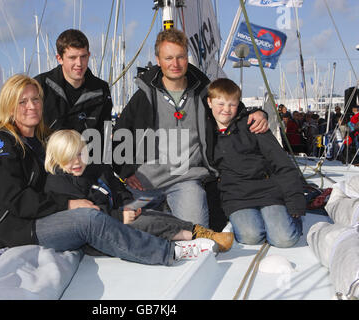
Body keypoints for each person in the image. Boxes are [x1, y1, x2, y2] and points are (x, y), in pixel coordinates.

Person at [0, 74, 215, 266]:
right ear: (9, 105)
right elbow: (17, 200)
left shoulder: (39, 140)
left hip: (41, 214)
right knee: (89, 220)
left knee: (126, 207)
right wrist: (69, 205)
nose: (31, 106)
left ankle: (189, 231)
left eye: (35, 99)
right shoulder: (2, 145)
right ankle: (170, 252)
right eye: (22, 101)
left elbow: (62, 177)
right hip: (11, 228)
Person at [112, 28, 269, 228]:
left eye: (180, 57)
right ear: (158, 60)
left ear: (187, 58)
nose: (175, 64)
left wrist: (259, 114)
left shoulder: (204, 92)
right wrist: (126, 171)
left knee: (196, 233)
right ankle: (162, 216)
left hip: (186, 181)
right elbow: (120, 131)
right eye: (168, 58)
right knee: (127, 226)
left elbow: (231, 109)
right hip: (146, 182)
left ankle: (166, 217)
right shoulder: (144, 95)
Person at [44, 129, 234, 251]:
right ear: (56, 158)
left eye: (80, 154)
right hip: (97, 235)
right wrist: (119, 217)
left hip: (116, 215)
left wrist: (129, 205)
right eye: (68, 157)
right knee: (143, 225)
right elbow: (86, 216)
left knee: (151, 214)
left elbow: (118, 189)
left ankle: (199, 231)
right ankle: (189, 241)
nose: (76, 162)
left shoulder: (96, 169)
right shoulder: (60, 184)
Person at [206, 78, 305, 248]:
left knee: (284, 239)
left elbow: (281, 163)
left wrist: (295, 203)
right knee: (250, 237)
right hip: (236, 196)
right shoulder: (206, 132)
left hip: (267, 191)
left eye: (232, 104)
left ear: (239, 104)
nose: (226, 110)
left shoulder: (253, 126)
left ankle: (289, 222)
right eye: (220, 104)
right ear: (209, 102)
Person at [34, 29, 112, 140]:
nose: (79, 63)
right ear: (60, 59)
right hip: (49, 155)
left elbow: (105, 133)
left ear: (89, 55)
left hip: (86, 155)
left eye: (83, 56)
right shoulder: (40, 86)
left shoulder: (101, 90)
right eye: (72, 58)